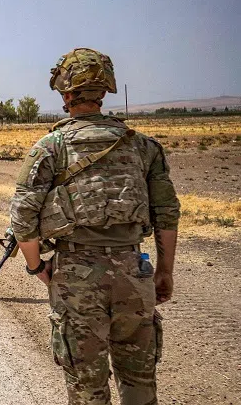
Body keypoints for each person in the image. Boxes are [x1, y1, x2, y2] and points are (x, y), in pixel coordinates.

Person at [10, 48, 180, 405]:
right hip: (135, 272)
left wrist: (39, 268)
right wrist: (164, 271)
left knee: (87, 387)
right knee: (139, 384)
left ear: (65, 93)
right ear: (104, 92)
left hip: (75, 275)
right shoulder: (144, 146)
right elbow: (166, 213)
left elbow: (23, 220)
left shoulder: (49, 148)